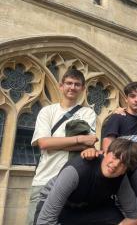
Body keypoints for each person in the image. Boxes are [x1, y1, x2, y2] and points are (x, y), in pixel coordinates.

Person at [27, 69, 97, 225]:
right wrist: (79, 138)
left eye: (77, 84)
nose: (72, 87)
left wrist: (54, 143)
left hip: (73, 182)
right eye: (69, 83)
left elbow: (88, 145)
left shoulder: (88, 113)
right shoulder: (47, 111)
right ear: (61, 86)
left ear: (83, 89)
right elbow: (43, 143)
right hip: (44, 179)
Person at [35, 138, 137, 225]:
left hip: (90, 208)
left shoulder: (120, 177)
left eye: (123, 164)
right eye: (115, 157)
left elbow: (136, 218)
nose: (115, 165)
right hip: (59, 207)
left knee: (117, 218)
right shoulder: (77, 170)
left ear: (126, 170)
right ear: (105, 152)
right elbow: (45, 221)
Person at [102, 82, 137, 151]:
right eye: (132, 96)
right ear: (126, 99)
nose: (136, 100)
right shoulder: (117, 118)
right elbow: (107, 145)